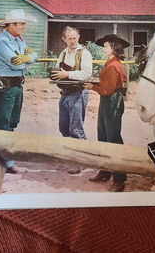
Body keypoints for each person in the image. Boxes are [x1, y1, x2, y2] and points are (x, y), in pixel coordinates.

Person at [0, 9, 37, 174]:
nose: (24, 26)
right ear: (11, 24)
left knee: (11, 122)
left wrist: (27, 57)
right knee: (2, 123)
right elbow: (15, 64)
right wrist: (27, 58)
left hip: (16, 86)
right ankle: (5, 161)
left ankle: (4, 157)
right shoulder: (1, 41)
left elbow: (34, 54)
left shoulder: (18, 39)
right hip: (5, 86)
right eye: (21, 23)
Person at [84, 34, 130, 192]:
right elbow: (107, 86)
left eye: (106, 46)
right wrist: (97, 85)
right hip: (107, 101)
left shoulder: (113, 65)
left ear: (113, 48)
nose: (103, 48)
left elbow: (107, 90)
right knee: (103, 136)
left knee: (113, 139)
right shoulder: (111, 63)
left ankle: (119, 179)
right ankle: (105, 171)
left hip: (112, 101)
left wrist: (92, 87)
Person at [51, 26, 92, 174]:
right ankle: (69, 158)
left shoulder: (84, 53)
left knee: (76, 128)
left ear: (79, 37)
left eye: (75, 38)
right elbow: (56, 69)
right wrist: (57, 75)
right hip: (65, 94)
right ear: (64, 40)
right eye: (70, 38)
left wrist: (67, 74)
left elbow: (87, 75)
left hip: (78, 93)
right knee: (64, 127)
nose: (73, 41)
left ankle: (81, 161)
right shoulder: (63, 53)